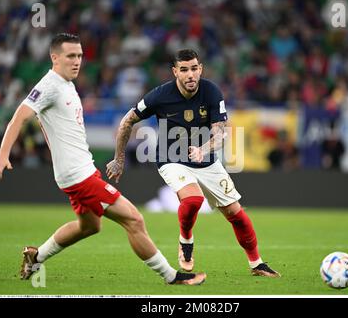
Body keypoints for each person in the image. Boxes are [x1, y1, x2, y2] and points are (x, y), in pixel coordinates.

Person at [0, 33, 206, 286]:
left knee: (90, 226)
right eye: (71, 55)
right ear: (54, 57)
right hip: (77, 176)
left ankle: (36, 256)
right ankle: (172, 276)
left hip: (82, 171)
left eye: (80, 55)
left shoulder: (66, 84)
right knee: (134, 219)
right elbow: (19, 117)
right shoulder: (49, 86)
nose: (77, 61)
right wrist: (3, 154)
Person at [106, 49, 280, 278]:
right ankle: (185, 241)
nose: (190, 75)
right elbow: (127, 121)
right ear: (175, 72)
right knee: (193, 199)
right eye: (184, 70)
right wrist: (119, 160)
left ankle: (257, 264)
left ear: (201, 69)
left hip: (205, 160)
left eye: (194, 68)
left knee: (235, 213)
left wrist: (203, 149)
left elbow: (221, 133)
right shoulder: (159, 96)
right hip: (171, 158)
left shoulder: (211, 92)